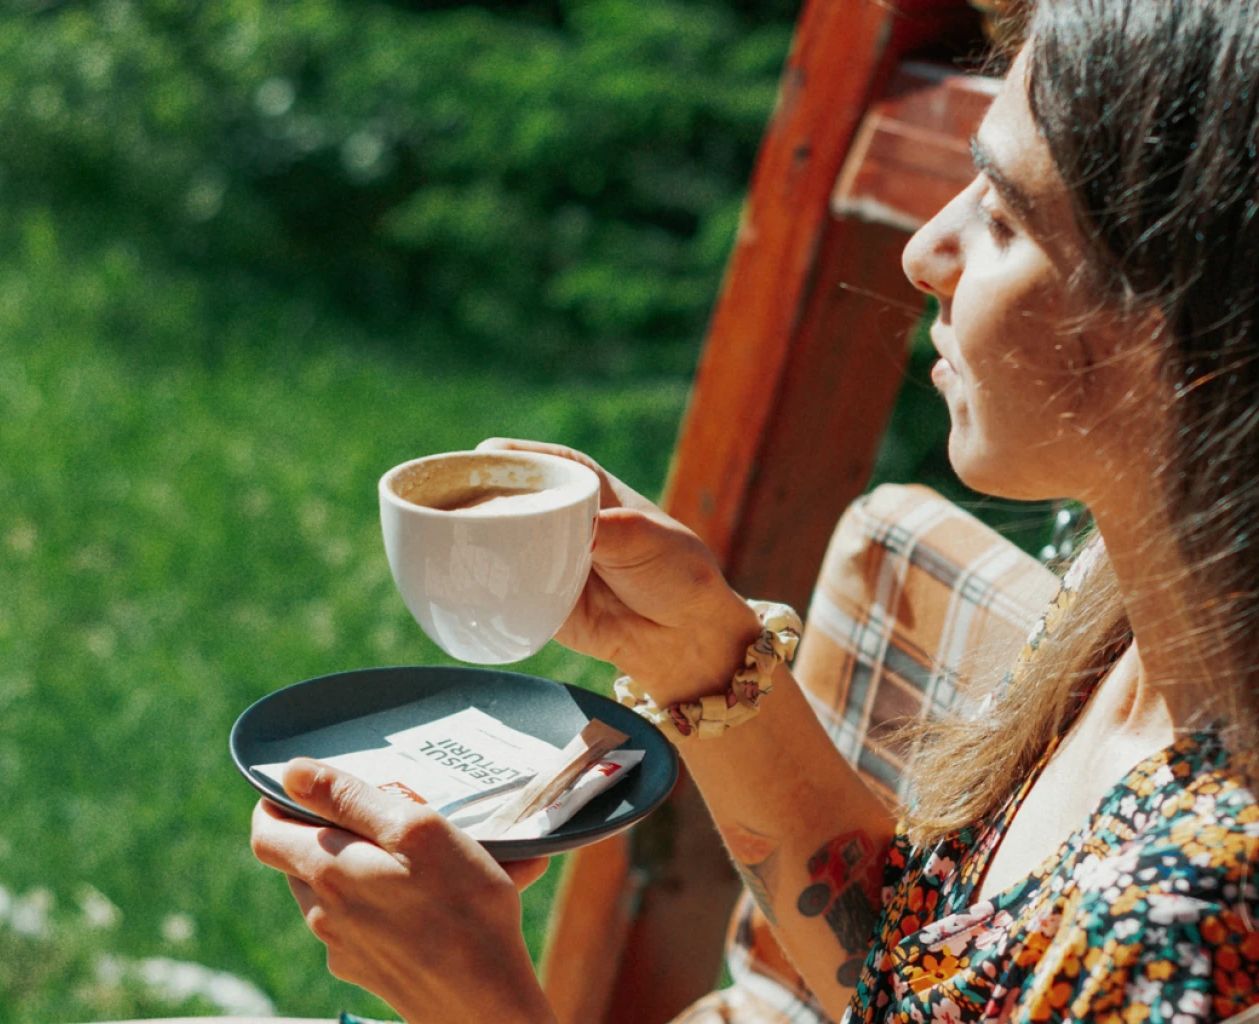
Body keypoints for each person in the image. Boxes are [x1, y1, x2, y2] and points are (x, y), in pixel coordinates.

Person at [249, 1, 1259, 1021]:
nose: (924, 251)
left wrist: (475, 999)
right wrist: (695, 647)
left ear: (1203, 328)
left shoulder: (1199, 924)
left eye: (1002, 217)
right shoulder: (1135, 596)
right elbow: (913, 984)